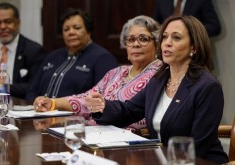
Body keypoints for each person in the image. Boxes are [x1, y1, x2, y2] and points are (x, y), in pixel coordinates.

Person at [85, 15, 229, 164]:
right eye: (164, 37)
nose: (167, 43)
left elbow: (196, 146)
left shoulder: (207, 86)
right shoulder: (159, 79)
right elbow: (129, 110)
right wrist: (103, 105)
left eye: (176, 38)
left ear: (194, 47)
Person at [33, 15, 162, 131]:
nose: (136, 44)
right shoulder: (117, 72)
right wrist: (53, 103)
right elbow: (87, 99)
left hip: (131, 143)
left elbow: (145, 117)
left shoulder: (161, 74)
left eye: (143, 39)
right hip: (96, 134)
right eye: (131, 39)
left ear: (157, 44)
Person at [26, 7, 118, 102]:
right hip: (39, 113)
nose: (71, 32)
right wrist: (35, 103)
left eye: (77, 28)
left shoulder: (103, 58)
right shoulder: (52, 56)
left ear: (88, 31)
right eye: (66, 29)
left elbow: (103, 98)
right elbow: (32, 91)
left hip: (76, 116)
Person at [0, 2, 46, 99]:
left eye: (8, 22)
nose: (2, 27)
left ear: (18, 23)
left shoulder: (33, 51)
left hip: (17, 106)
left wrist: (0, 87)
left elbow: (35, 86)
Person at [153, 0, 221, 37]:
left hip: (194, 52)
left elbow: (214, 27)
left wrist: (189, 29)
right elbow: (154, 25)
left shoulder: (201, 1)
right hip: (167, 50)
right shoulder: (161, 1)